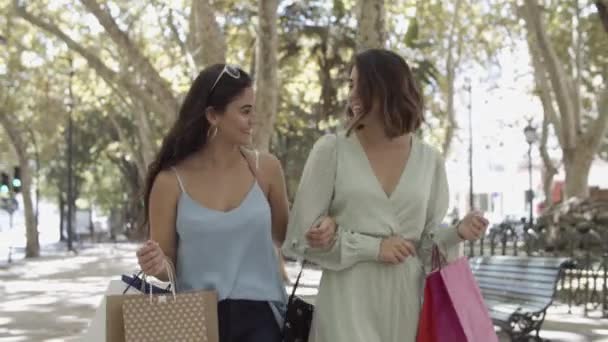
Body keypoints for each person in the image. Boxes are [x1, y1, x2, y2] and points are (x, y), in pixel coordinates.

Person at [282, 49, 489, 342]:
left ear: (383, 88)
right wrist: (371, 247)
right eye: (349, 85)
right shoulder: (332, 150)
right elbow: (299, 238)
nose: (350, 95)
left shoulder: (430, 160)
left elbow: (424, 247)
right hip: (347, 300)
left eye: (357, 85)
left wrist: (457, 233)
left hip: (406, 303)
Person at [135, 64, 289, 342]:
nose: (254, 118)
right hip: (195, 321)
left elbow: (289, 238)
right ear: (212, 115)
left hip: (263, 321)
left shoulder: (266, 169)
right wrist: (156, 265)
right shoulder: (170, 182)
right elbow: (166, 269)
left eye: (253, 109)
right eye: (245, 111)